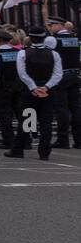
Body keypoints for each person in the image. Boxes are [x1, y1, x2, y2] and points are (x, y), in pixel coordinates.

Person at [6, 25, 63, 161]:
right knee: (46, 121)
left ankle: (19, 149)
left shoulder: (23, 53)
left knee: (27, 120)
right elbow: (58, 74)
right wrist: (46, 87)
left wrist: (33, 87)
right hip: (47, 90)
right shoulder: (54, 54)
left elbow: (22, 73)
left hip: (30, 91)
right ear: (44, 38)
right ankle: (44, 152)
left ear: (30, 38)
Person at [43, 17, 80, 149]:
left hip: (61, 76)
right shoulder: (74, 38)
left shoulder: (52, 40)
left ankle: (63, 139)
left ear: (59, 25)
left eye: (51, 25)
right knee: (76, 108)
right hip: (75, 75)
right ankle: (79, 139)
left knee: (61, 108)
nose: (49, 28)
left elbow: (46, 56)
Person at [0, 27, 23, 148]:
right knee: (22, 113)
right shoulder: (19, 52)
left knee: (5, 115)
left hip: (2, 87)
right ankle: (26, 139)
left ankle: (8, 140)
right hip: (18, 85)